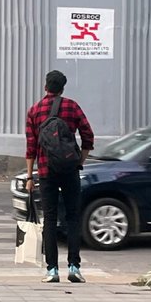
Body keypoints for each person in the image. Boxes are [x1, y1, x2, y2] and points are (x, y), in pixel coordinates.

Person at [25, 69, 94, 283]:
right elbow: (88, 135)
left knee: (51, 219)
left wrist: (29, 176)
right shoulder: (72, 106)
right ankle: (74, 267)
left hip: (46, 172)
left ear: (46, 86)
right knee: (73, 218)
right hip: (69, 171)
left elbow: (31, 147)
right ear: (63, 88)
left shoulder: (34, 111)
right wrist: (79, 161)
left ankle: (52, 270)